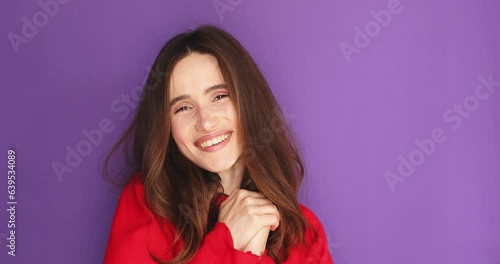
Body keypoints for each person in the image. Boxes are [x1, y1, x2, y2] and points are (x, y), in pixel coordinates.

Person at [103, 24, 334, 264]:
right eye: (183, 108)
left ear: (248, 102)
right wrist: (229, 242)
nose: (205, 122)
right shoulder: (148, 202)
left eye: (219, 96)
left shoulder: (305, 233)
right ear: (165, 125)